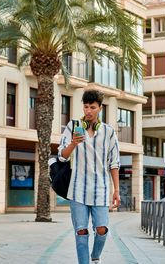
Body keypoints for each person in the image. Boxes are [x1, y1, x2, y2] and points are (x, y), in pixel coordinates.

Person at [58, 89, 120, 264]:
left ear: (100, 108)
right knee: (81, 231)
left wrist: (116, 190)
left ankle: (95, 257)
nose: (88, 111)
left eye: (92, 107)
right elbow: (62, 155)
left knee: (102, 230)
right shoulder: (73, 126)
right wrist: (73, 143)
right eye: (86, 107)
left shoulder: (109, 131)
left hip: (101, 189)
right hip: (77, 190)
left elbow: (114, 163)